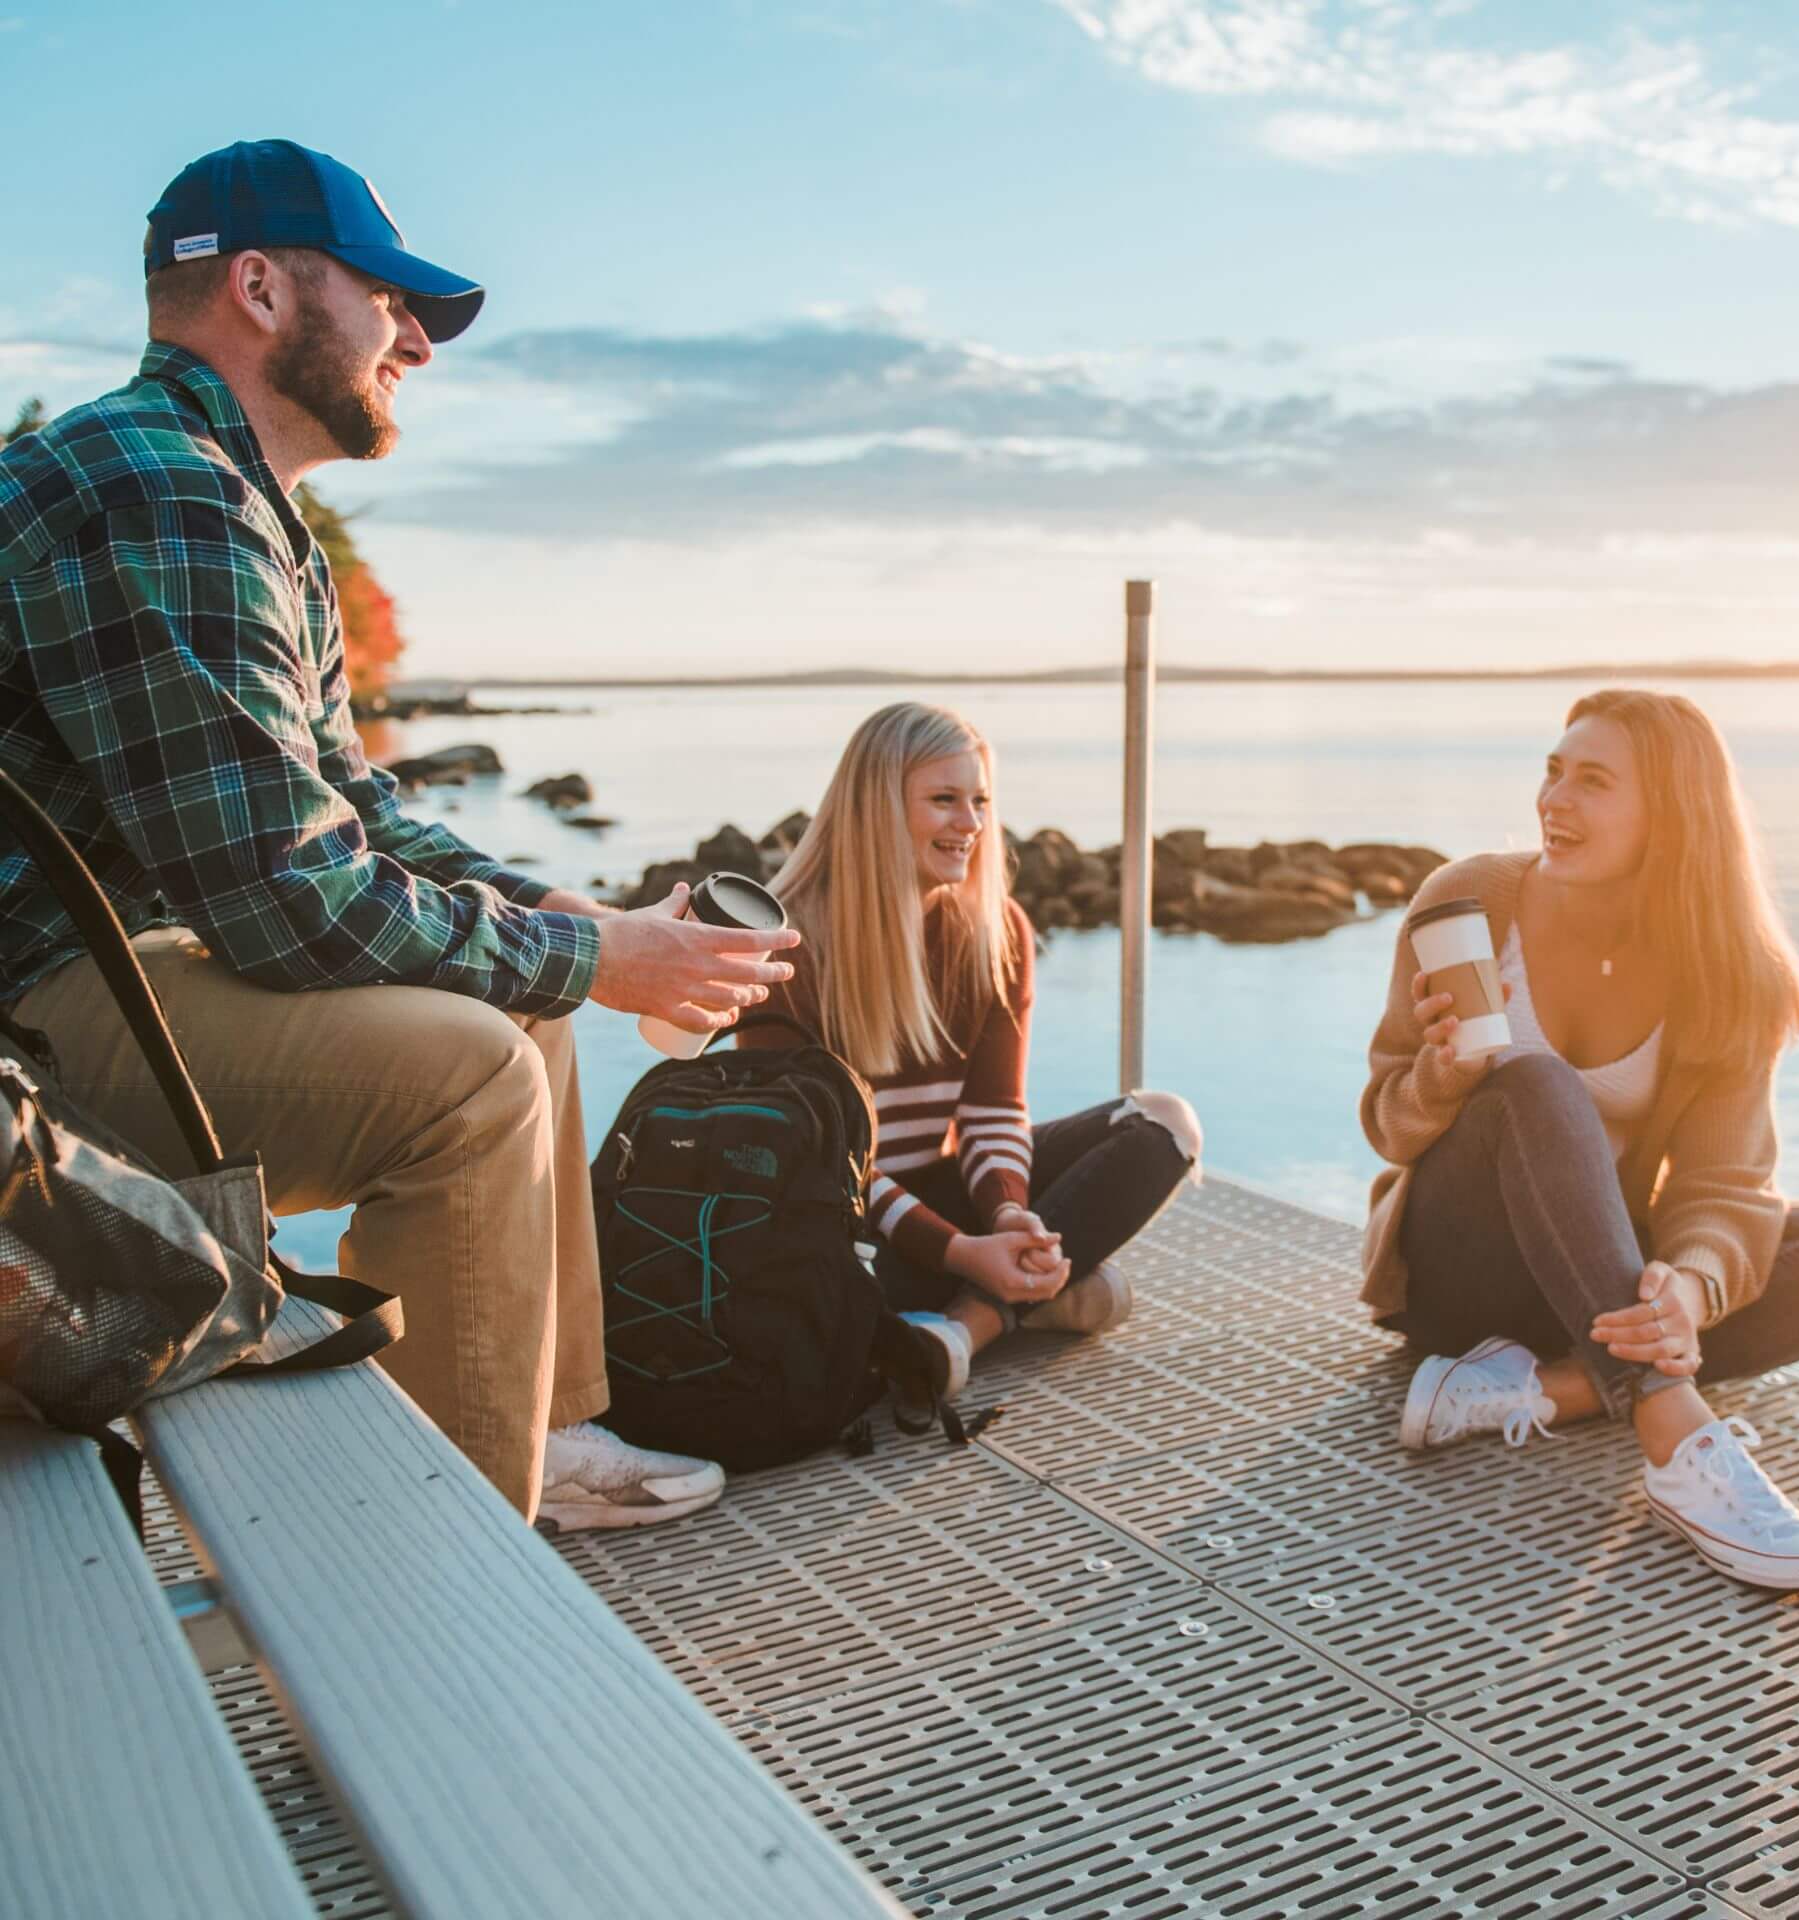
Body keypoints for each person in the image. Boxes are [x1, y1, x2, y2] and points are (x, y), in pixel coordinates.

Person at [0, 141, 797, 1531]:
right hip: (31, 1040)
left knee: (523, 1003)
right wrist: (582, 954)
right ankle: (442, 1566)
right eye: (388, 298)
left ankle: (540, 1435)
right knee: (470, 1077)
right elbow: (289, 902)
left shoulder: (246, 507)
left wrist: (569, 917)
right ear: (257, 286)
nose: (416, 340)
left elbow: (349, 816)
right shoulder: (158, 486)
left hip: (111, 974)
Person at [1360, 688, 1799, 1590]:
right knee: (1533, 1083)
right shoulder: (1464, 903)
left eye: (1593, 782)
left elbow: (1725, 1183)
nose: (1554, 801)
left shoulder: (1734, 973)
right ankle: (1671, 1430)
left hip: (1602, 1284)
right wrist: (1445, 1075)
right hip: (1460, 1279)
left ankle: (1545, 1388)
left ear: (1671, 817)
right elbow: (1387, 1122)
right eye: (1553, 771)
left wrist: (1687, 1289)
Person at [743, 701, 1201, 1394]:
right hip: (840, 1222)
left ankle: (965, 1329)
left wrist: (1010, 1215)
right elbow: (813, 1166)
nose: (973, 825)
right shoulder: (787, 945)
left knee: (1163, 1122)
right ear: (876, 807)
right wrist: (962, 1251)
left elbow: (991, 1113)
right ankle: (1032, 1297)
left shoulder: (996, 929)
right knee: (828, 1298)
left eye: (981, 800)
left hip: (940, 1198)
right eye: (945, 800)